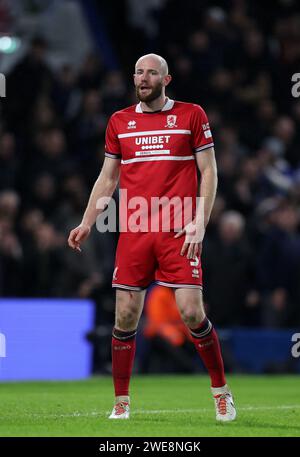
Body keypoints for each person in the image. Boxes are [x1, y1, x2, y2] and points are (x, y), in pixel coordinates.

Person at [68, 53, 236, 422]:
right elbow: (107, 178)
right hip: (134, 231)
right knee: (125, 315)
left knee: (192, 312)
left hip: (179, 229)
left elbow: (209, 172)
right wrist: (87, 222)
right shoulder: (119, 121)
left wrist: (199, 222)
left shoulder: (192, 115)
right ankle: (121, 401)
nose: (143, 78)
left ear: (167, 79)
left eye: (151, 73)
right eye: (138, 73)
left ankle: (221, 391)